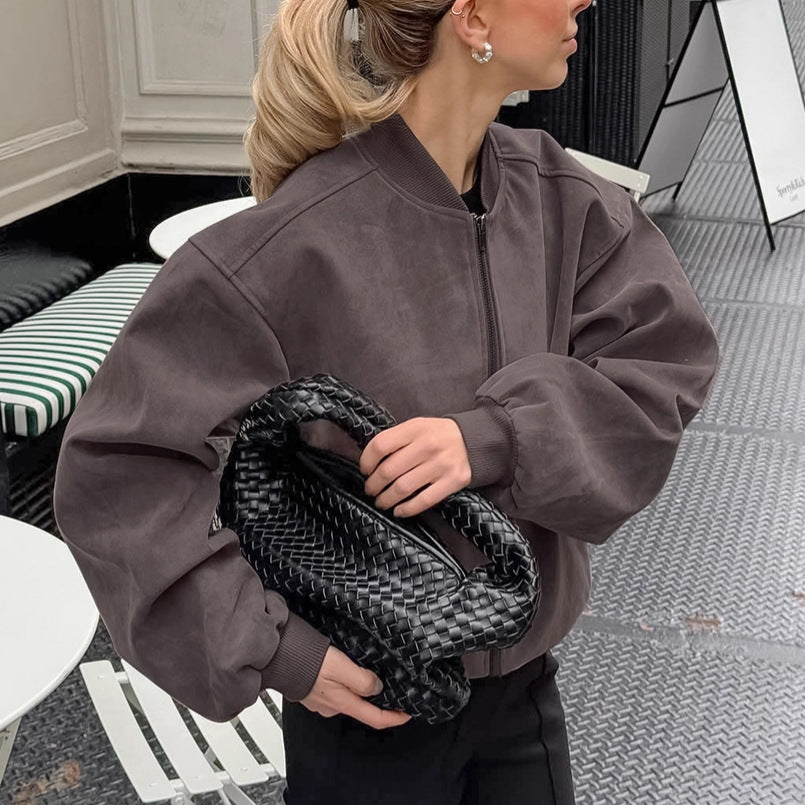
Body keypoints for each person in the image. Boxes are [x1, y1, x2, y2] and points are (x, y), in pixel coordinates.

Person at [53, 0, 720, 802]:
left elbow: (661, 364)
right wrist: (277, 650)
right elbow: (120, 471)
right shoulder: (290, 242)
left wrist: (499, 436)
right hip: (365, 715)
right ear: (472, 19)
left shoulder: (562, 201)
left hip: (522, 694)